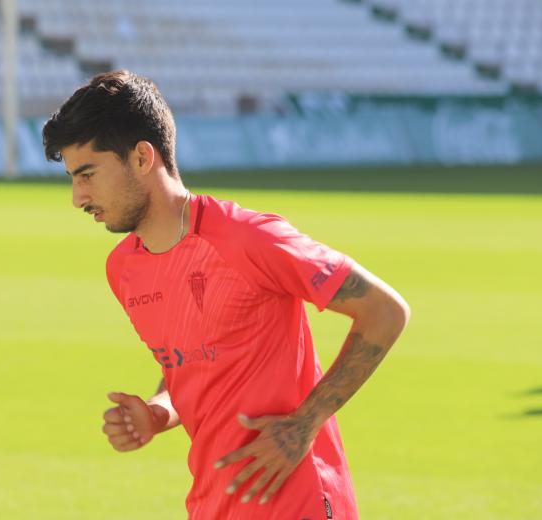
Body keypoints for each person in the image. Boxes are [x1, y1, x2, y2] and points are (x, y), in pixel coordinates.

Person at [42, 70, 410, 519]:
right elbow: (187, 362)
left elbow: (385, 312)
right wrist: (158, 413)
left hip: (299, 503)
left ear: (142, 158)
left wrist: (305, 423)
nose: (78, 198)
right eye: (72, 179)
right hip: (212, 504)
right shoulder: (124, 269)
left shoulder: (249, 239)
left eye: (87, 175)